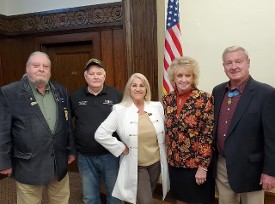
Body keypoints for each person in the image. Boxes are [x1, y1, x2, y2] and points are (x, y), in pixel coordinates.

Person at [0, 51, 76, 204]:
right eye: (36, 65)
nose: (41, 69)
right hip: (28, 164)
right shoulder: (9, 92)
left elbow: (67, 122)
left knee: (61, 200)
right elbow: (3, 130)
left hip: (58, 162)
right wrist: (4, 162)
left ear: (49, 70)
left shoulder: (60, 90)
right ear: (27, 68)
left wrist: (71, 149)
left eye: (45, 66)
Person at [212, 46, 275, 204]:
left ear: (248, 63)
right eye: (229, 63)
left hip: (251, 170)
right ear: (224, 67)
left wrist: (270, 172)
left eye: (238, 61)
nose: (234, 66)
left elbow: (272, 138)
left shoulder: (266, 93)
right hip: (222, 166)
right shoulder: (218, 91)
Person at [95, 73, 170, 204]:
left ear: (146, 89)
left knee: (145, 196)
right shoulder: (120, 110)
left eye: (142, 85)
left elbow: (166, 131)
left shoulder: (157, 106)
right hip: (136, 164)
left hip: (156, 163)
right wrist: (121, 147)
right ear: (129, 89)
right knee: (147, 201)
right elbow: (100, 134)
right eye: (134, 85)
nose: (138, 88)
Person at [162, 56, 215, 204]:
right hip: (174, 164)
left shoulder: (205, 99)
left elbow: (207, 135)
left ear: (193, 77)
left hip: (195, 165)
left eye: (187, 75)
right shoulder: (167, 99)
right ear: (174, 77)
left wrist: (203, 167)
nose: (183, 79)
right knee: (180, 200)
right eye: (179, 75)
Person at [70, 58, 123, 204]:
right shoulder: (75, 97)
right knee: (89, 197)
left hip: (110, 155)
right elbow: (68, 125)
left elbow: (124, 123)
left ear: (104, 76)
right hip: (85, 156)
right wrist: (72, 150)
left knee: (115, 195)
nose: (95, 77)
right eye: (91, 74)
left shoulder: (116, 95)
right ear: (85, 76)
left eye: (99, 73)